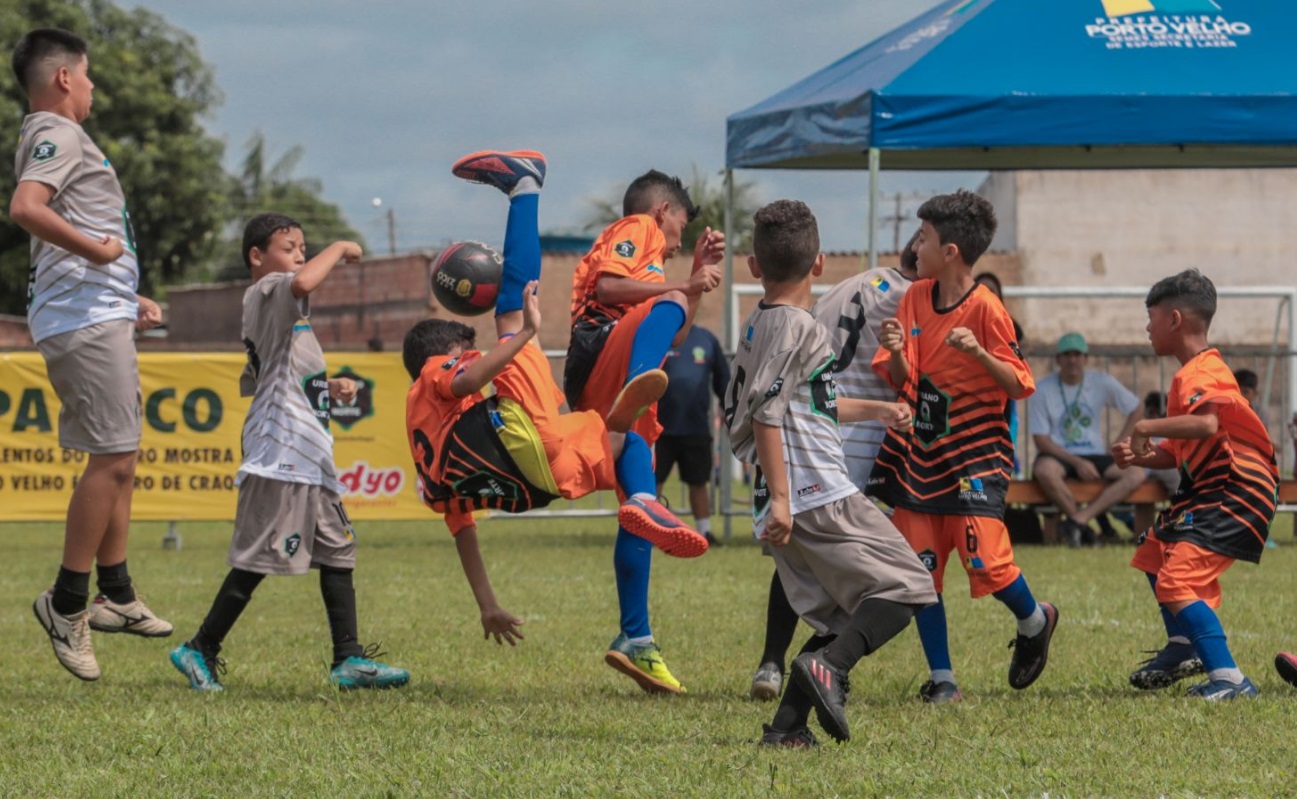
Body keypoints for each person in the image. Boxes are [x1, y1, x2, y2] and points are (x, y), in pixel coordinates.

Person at [403, 150, 706, 670]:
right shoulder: (438, 376)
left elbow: (465, 535)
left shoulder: (425, 457)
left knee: (633, 456)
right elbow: (471, 375)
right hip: (538, 431)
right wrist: (522, 336)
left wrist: (488, 605)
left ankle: (637, 633)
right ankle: (525, 190)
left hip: (546, 481)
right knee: (515, 310)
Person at [167, 214, 409, 692]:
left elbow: (282, 375)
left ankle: (349, 659)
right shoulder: (271, 288)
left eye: (304, 245)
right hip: (280, 451)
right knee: (259, 557)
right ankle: (200, 648)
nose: (299, 253)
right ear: (258, 257)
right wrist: (339, 246)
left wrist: (327, 385)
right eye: (288, 245)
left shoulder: (286, 312)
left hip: (307, 452)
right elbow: (302, 279)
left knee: (339, 548)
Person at [725, 199, 936, 746]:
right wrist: (782, 501)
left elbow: (807, 404)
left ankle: (788, 726)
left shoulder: (761, 325)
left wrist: (879, 410)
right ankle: (830, 669)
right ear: (819, 264)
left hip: (793, 493)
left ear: (754, 265)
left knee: (845, 611)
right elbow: (770, 415)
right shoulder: (800, 327)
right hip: (815, 491)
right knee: (912, 585)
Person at [11, 28, 172, 681]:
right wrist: (99, 254)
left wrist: (123, 290)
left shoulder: (69, 138)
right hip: (82, 321)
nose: (94, 85)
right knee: (111, 459)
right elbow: (27, 207)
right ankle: (67, 601)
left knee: (123, 458)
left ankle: (118, 594)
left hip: (96, 311)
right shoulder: (55, 131)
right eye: (90, 74)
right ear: (64, 79)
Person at [871, 190, 1059, 705]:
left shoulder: (986, 310)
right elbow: (904, 377)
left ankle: (1034, 621)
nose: (915, 246)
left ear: (950, 250)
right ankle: (943, 679)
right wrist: (893, 354)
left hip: (975, 458)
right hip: (922, 457)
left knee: (989, 566)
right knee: (919, 575)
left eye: (924, 237)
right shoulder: (913, 298)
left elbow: (1020, 384)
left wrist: (979, 353)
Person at [564, 169, 725, 694]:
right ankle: (635, 393)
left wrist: (694, 277)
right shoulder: (640, 227)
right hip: (602, 356)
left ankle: (636, 638)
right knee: (669, 299)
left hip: (613, 375)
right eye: (681, 219)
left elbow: (677, 327)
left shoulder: (659, 262)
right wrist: (681, 284)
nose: (680, 235)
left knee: (638, 507)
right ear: (662, 211)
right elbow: (610, 286)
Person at [1115, 269, 1277, 699]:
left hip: (1236, 488)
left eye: (1150, 318)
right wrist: (1143, 454)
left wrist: (1146, 424)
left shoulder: (1201, 371)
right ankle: (1183, 645)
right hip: (1215, 487)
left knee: (1176, 582)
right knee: (1153, 550)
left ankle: (1230, 679)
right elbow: (1183, 447)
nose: (1146, 328)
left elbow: (1205, 425)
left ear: (1173, 320)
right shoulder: (1190, 374)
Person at [1029, 332, 1146, 546]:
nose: (1072, 360)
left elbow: (1137, 408)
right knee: (1044, 470)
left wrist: (1119, 442)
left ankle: (1078, 520)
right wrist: (1077, 462)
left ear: (1085, 359)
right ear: (1058, 360)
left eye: (1077, 354)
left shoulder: (1101, 381)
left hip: (1095, 453)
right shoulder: (1042, 389)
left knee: (1136, 473)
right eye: (1067, 355)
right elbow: (1041, 441)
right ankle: (1085, 526)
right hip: (1059, 454)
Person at [655, 323, 730, 547]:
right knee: (653, 482)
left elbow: (723, 380)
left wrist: (728, 408)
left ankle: (704, 532)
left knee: (699, 482)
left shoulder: (706, 338)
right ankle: (651, 531)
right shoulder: (659, 334)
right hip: (659, 430)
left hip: (696, 427)